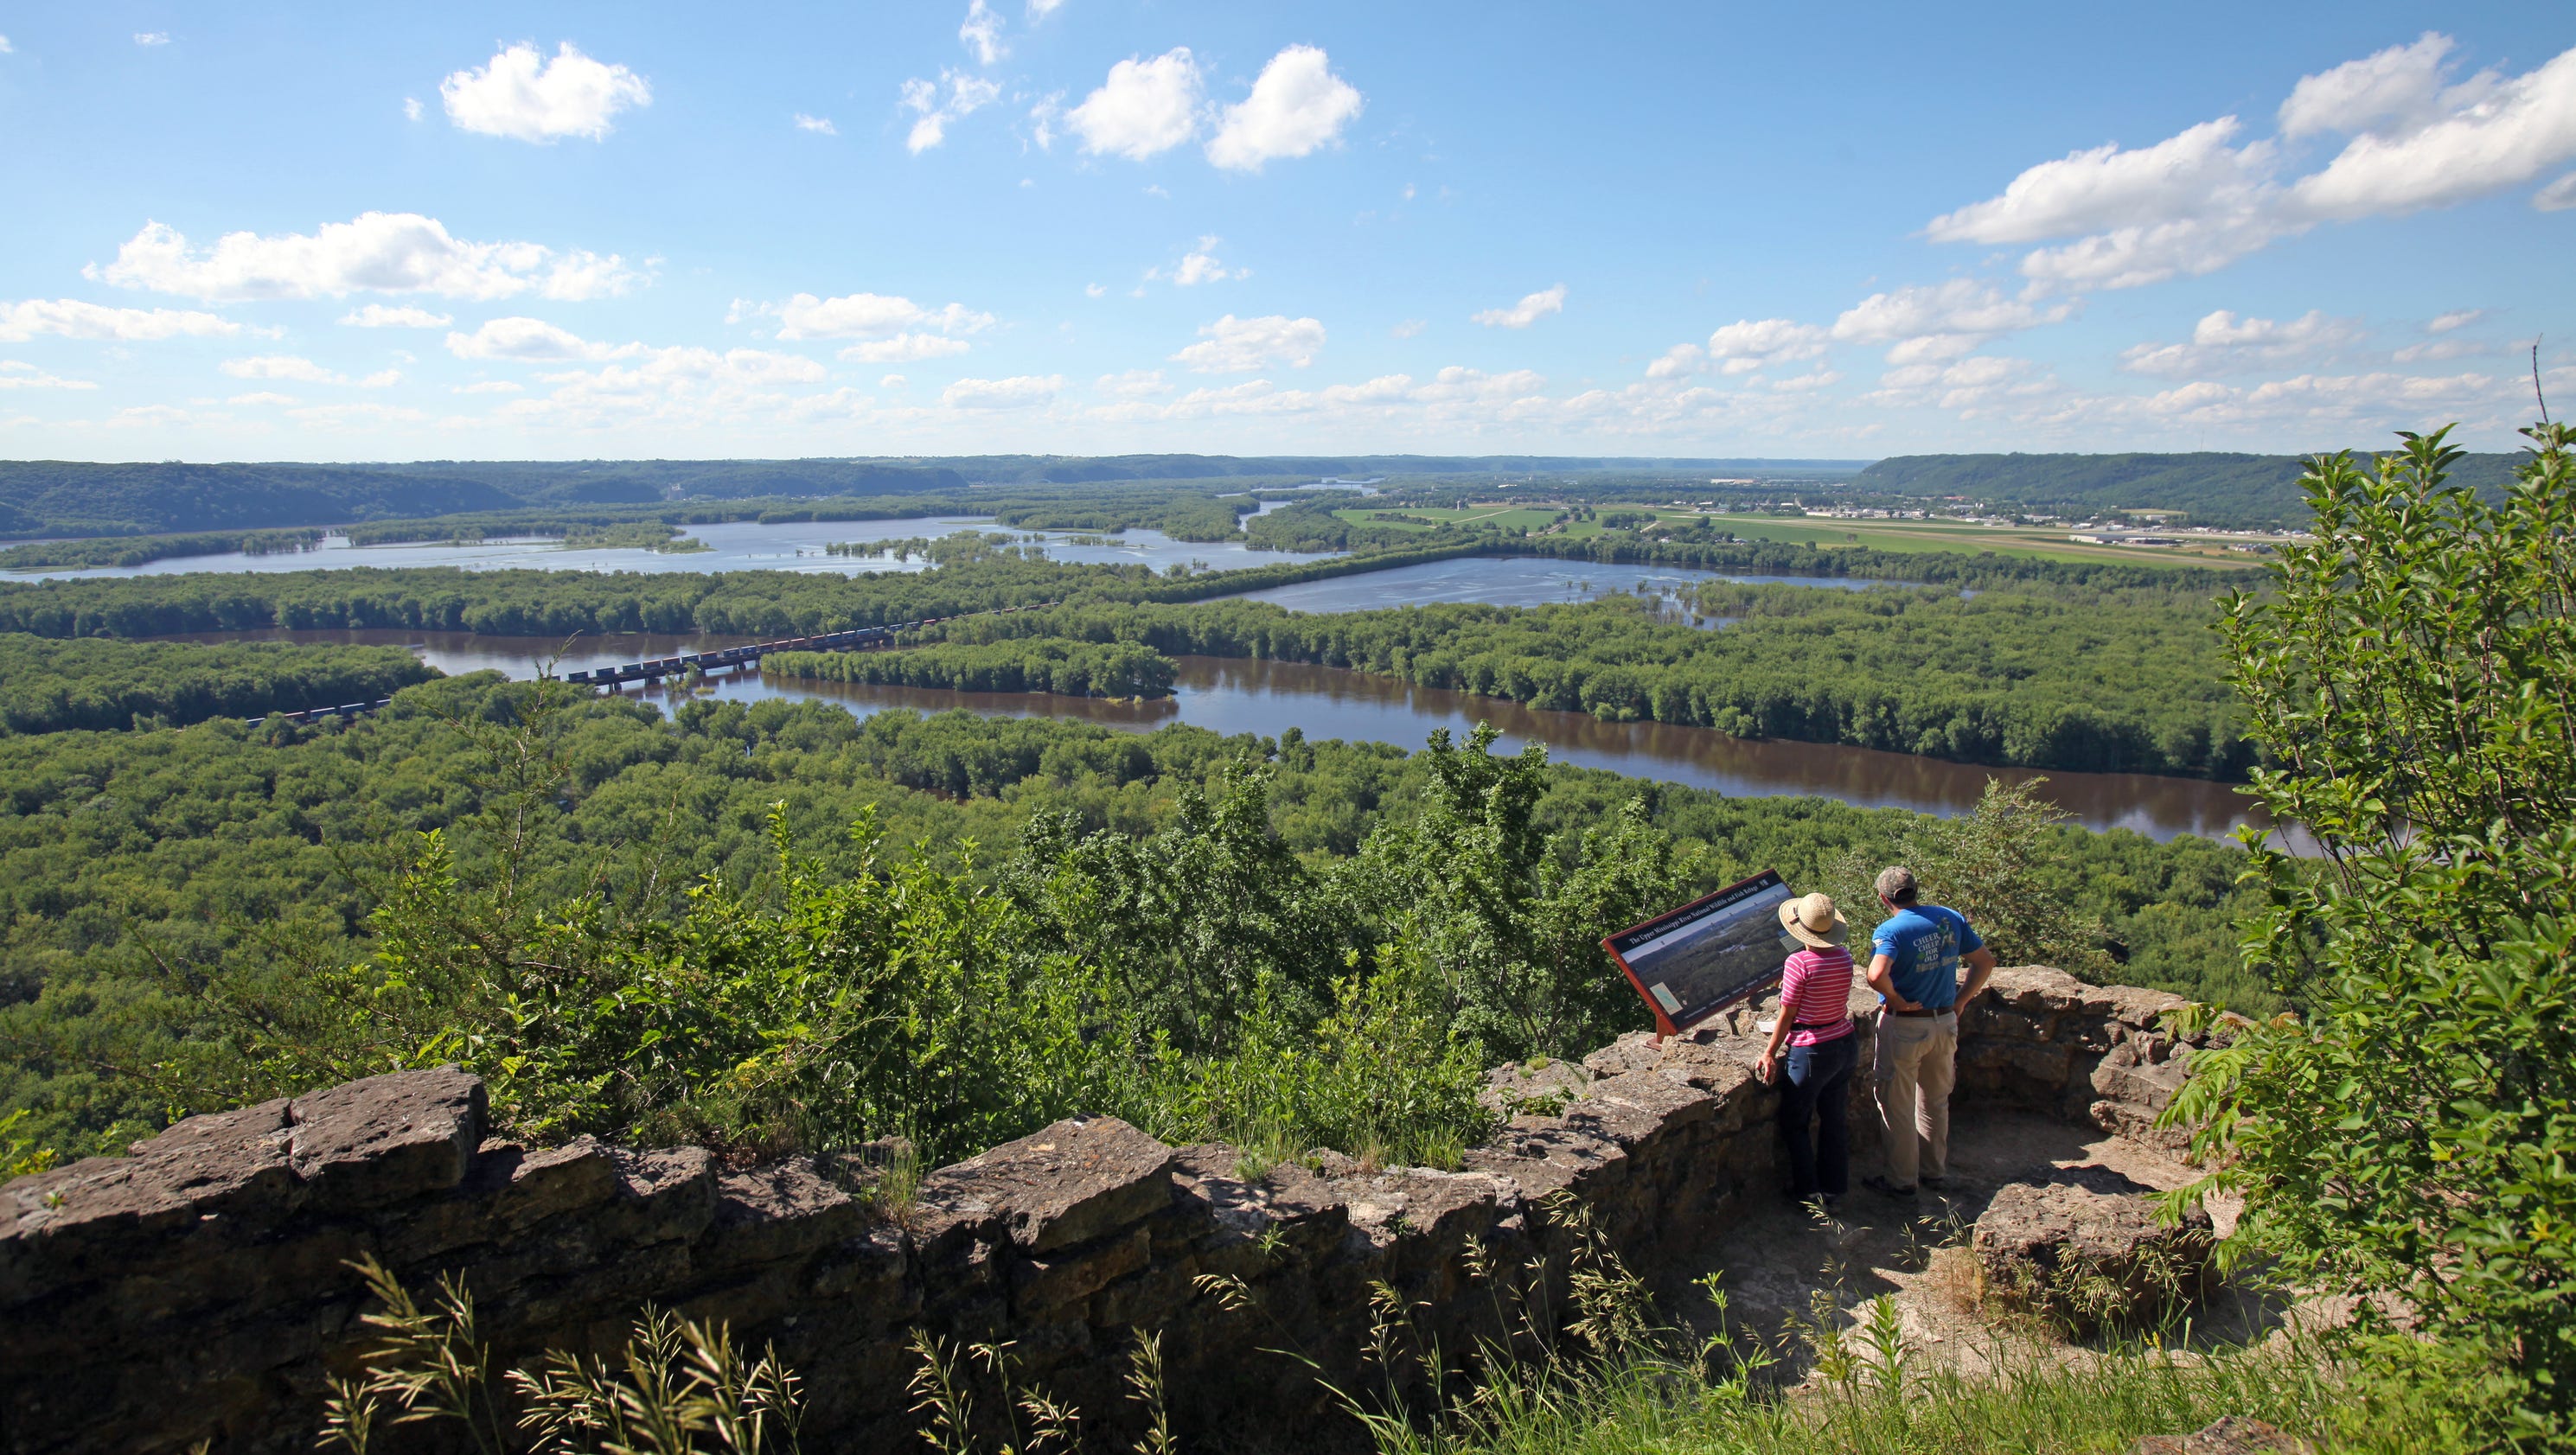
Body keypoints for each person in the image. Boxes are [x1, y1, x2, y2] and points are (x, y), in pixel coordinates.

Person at [1860, 865, 1997, 1199]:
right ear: (1915, 891)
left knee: (1897, 1104)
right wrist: (1961, 1001)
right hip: (1944, 1021)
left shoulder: (1892, 929)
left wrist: (1895, 1000)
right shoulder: (1949, 917)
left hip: (1906, 1025)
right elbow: (1985, 962)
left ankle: (1902, 1180)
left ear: (1882, 897)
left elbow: (1876, 975)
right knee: (1935, 1100)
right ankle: (1934, 1171)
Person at [1756, 891, 1858, 1209]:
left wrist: (1769, 1052)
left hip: (1812, 1050)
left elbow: (1787, 1014)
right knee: (1833, 1119)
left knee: (1796, 1122)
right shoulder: (1844, 956)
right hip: (1844, 1041)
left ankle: (1808, 1192)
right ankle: (1834, 1188)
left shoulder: (1798, 962)